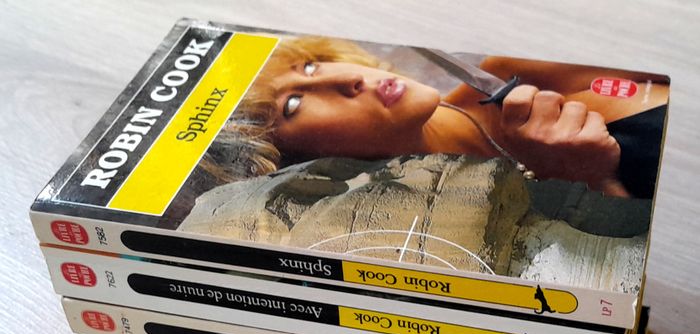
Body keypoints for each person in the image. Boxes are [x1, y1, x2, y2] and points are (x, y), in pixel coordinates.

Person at [205, 36, 668, 199]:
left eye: (309, 66)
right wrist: (591, 180)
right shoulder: (453, 233)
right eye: (293, 104)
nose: (348, 78)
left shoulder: (518, 67)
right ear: (296, 165)